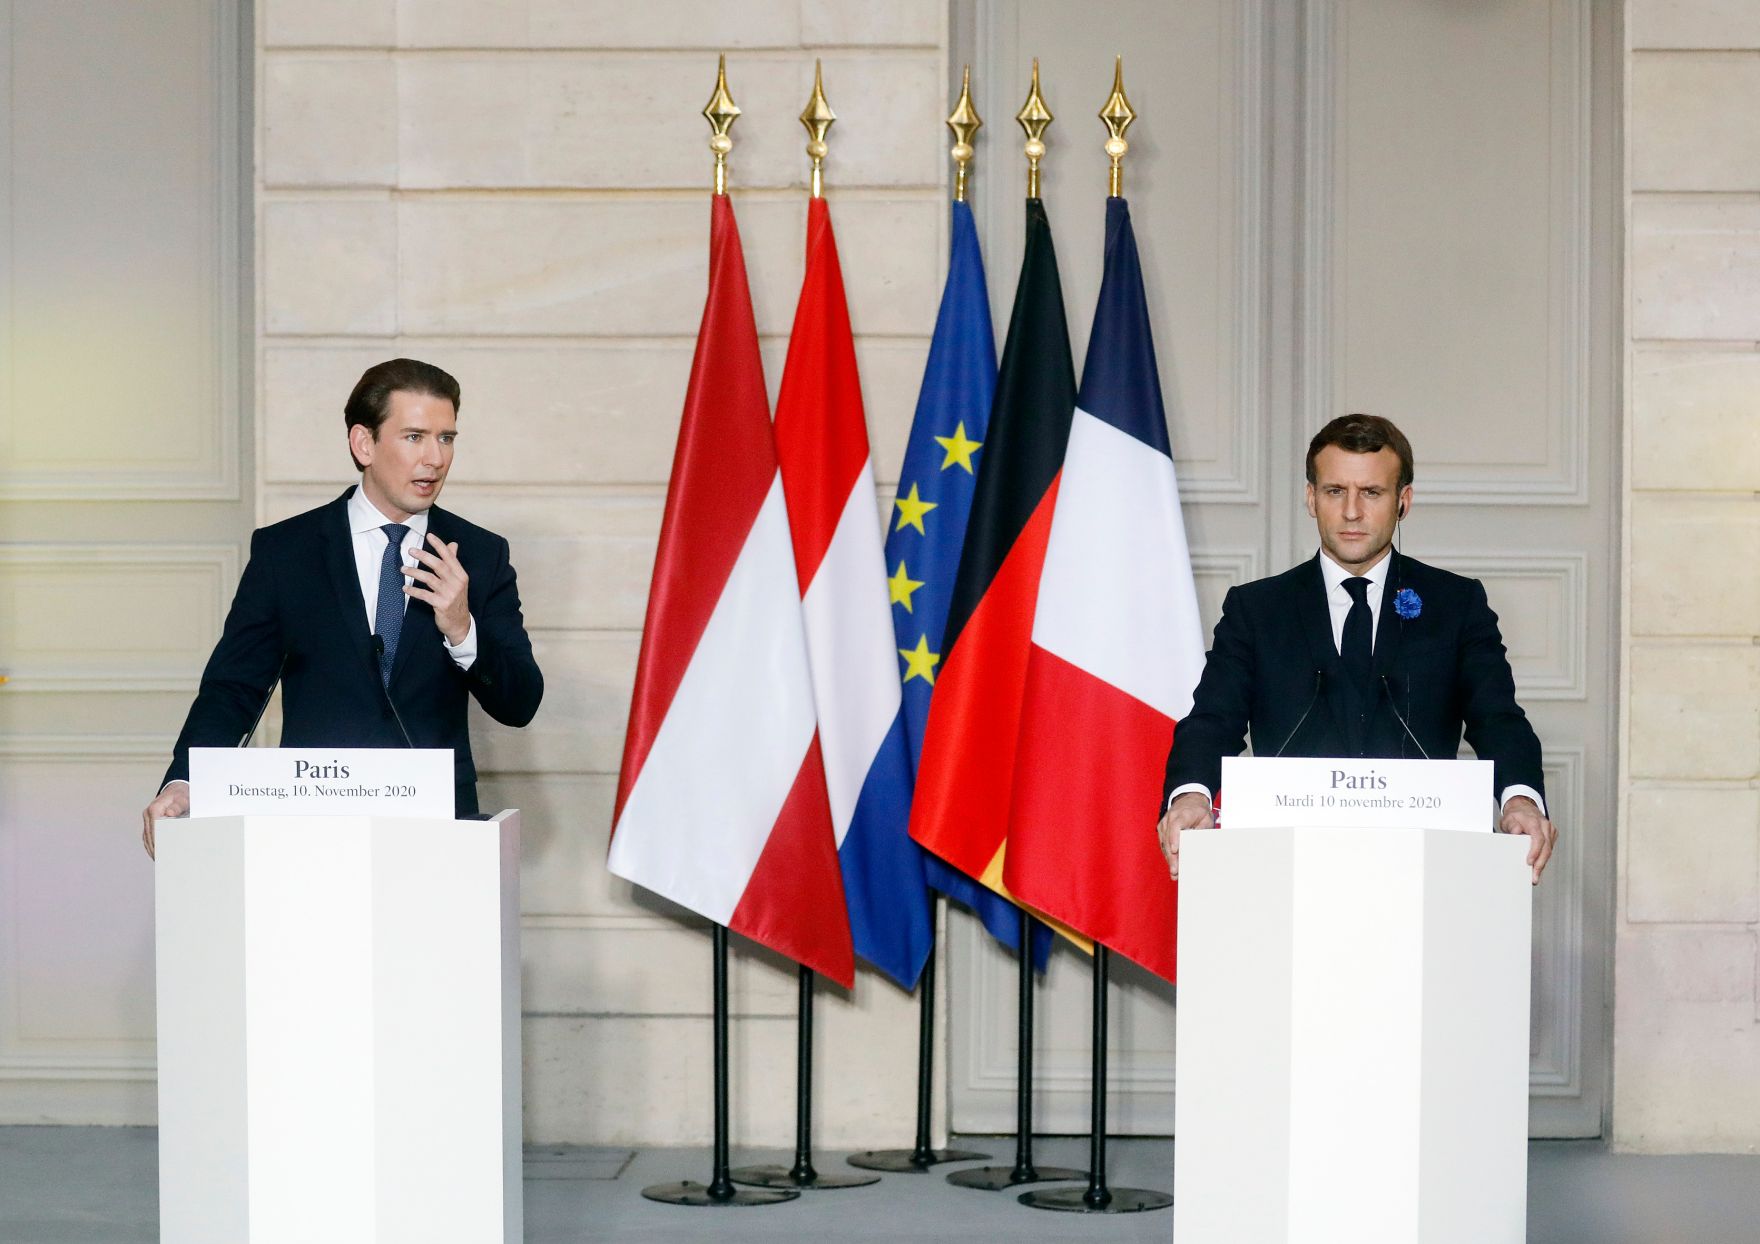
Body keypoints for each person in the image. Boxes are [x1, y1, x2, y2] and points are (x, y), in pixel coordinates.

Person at [140, 358, 543, 854]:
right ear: (364, 443)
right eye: (415, 436)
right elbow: (234, 687)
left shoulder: (479, 554)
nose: (435, 459)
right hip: (312, 824)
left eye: (447, 438)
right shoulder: (287, 551)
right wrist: (184, 781)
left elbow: (521, 702)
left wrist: (462, 630)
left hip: (439, 835)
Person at [1158, 413, 1557, 884]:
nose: (1351, 511)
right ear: (1311, 498)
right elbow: (1212, 720)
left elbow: (1498, 719)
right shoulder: (1257, 609)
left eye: (1371, 493)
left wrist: (1520, 799)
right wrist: (1190, 795)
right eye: (1334, 491)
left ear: (1403, 502)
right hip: (1285, 871)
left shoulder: (1456, 604)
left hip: (1421, 871)